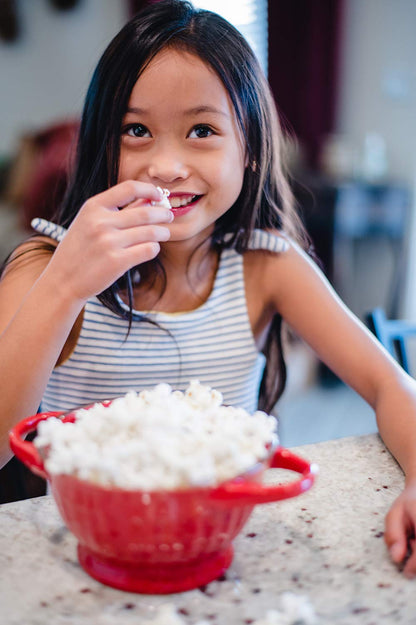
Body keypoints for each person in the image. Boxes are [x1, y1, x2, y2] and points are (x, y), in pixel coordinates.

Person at [0, 0, 416, 576]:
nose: (166, 167)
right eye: (136, 130)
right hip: (80, 554)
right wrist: (65, 283)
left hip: (226, 549)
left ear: (248, 150)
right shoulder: (43, 266)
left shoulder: (267, 266)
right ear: (102, 142)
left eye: (202, 130)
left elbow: (391, 385)